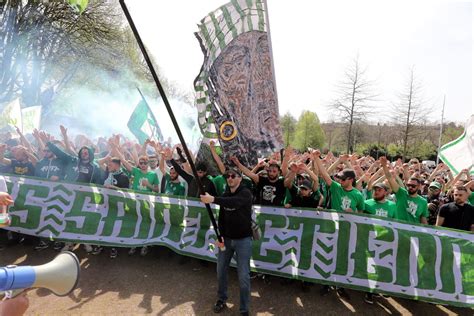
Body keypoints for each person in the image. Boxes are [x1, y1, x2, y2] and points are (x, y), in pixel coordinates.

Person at [200, 167, 253, 316]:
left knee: (243, 276)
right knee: (220, 271)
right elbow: (222, 217)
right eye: (227, 176)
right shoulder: (226, 194)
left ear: (240, 178)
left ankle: (244, 309)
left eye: (233, 176)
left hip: (243, 241)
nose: (229, 178)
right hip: (226, 240)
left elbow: (233, 203)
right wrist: (220, 236)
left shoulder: (245, 193)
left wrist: (213, 199)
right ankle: (221, 299)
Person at [362, 182, 397, 304]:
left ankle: (377, 289)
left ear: (386, 192)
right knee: (371, 266)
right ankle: (369, 292)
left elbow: (395, 223)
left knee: (383, 265)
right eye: (375, 189)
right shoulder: (367, 203)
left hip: (386, 240)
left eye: (379, 190)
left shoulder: (393, 206)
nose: (376, 192)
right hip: (370, 239)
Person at [92, 157, 130, 258]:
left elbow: (127, 193)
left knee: (114, 226)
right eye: (108, 165)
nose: (108, 167)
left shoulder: (124, 177)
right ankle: (100, 245)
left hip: (116, 206)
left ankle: (114, 247)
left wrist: (114, 188)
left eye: (110, 165)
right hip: (104, 203)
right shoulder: (106, 174)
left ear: (117, 165)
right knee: (101, 224)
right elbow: (96, 162)